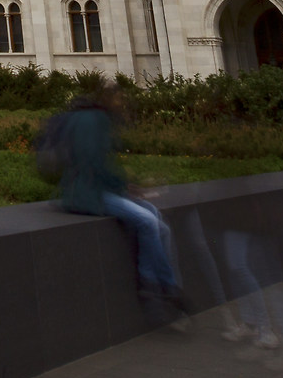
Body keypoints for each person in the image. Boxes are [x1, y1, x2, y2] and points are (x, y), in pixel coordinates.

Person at [37, 87, 187, 325]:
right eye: (121, 101)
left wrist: (126, 186)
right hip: (88, 195)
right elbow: (93, 164)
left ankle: (164, 285)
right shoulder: (95, 121)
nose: (124, 107)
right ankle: (161, 286)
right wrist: (124, 186)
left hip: (95, 190)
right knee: (147, 220)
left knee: (156, 218)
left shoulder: (95, 120)